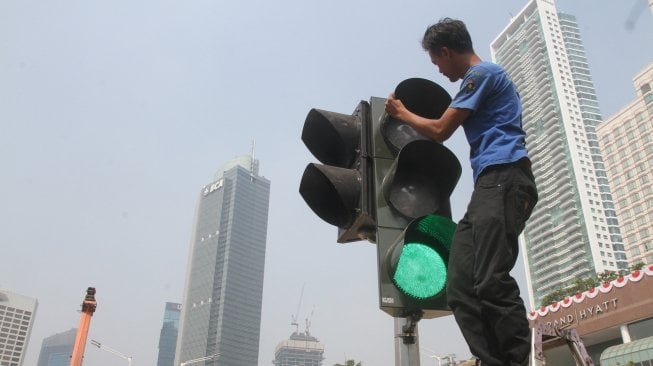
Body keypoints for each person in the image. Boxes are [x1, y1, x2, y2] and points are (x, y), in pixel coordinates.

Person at [384, 18, 538, 366]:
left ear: (446, 51)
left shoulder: (482, 75)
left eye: (436, 62)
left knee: (491, 280)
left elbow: (440, 130)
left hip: (505, 178)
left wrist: (401, 112)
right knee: (460, 288)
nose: (438, 69)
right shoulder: (478, 79)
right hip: (488, 185)